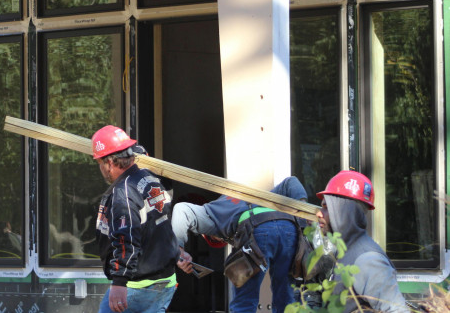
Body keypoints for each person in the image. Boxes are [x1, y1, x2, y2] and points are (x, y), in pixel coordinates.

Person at [172, 176, 308, 313]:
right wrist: (304, 215)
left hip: (255, 229)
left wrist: (179, 251)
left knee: (244, 303)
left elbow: (181, 209)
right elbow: (292, 182)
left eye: (221, 240)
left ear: (207, 234)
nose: (224, 240)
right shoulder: (258, 198)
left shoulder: (210, 213)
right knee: (286, 300)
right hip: (289, 228)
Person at [92, 125, 183, 313]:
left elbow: (126, 241)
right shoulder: (151, 178)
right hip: (165, 280)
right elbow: (161, 221)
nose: (101, 168)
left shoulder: (123, 194)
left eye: (100, 163)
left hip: (139, 285)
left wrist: (119, 282)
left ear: (109, 163)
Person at [316, 170, 409, 312]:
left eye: (327, 207)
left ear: (344, 211)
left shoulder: (368, 259)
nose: (318, 213)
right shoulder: (346, 251)